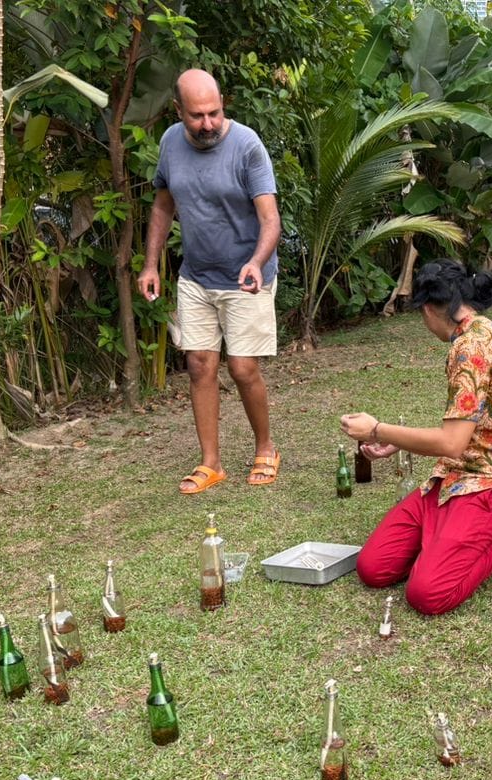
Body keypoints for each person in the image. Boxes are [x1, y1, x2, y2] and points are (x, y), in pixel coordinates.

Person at [340, 260, 492, 615]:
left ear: (430, 310)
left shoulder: (469, 348)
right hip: (455, 473)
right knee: (373, 568)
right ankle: (444, 541)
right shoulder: (482, 329)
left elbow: (451, 442)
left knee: (428, 594)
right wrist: (399, 440)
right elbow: (465, 425)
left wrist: (377, 429)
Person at [139, 69, 282, 493]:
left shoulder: (247, 145)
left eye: (214, 113)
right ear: (178, 110)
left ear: (223, 105)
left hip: (246, 275)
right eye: (197, 116)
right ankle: (211, 463)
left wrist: (256, 261)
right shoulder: (170, 143)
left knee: (242, 367)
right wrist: (151, 265)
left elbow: (270, 219)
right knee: (200, 365)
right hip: (197, 275)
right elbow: (163, 207)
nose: (208, 124)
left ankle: (266, 448)